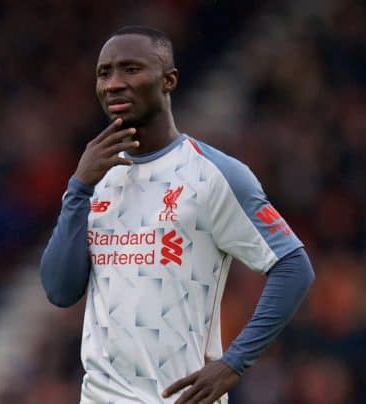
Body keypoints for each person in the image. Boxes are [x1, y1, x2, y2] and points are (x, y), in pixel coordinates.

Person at [40, 25, 315, 404]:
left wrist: (235, 362)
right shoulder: (96, 178)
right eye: (104, 73)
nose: (114, 83)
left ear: (169, 80)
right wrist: (78, 189)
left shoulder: (214, 175)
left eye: (131, 69)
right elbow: (60, 290)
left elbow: (294, 267)